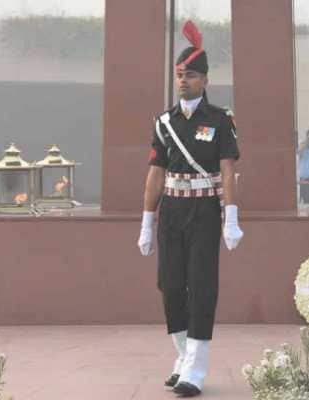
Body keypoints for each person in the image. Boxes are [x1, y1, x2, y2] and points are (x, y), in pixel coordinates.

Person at [137, 20, 243, 397]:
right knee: (169, 285)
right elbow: (155, 172)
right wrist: (147, 222)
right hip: (171, 212)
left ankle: (196, 369)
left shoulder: (219, 121)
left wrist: (231, 217)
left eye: (191, 75)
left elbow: (228, 170)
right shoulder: (164, 122)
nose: (183, 80)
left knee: (201, 287)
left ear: (206, 81)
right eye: (180, 74)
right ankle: (183, 357)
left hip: (203, 214)